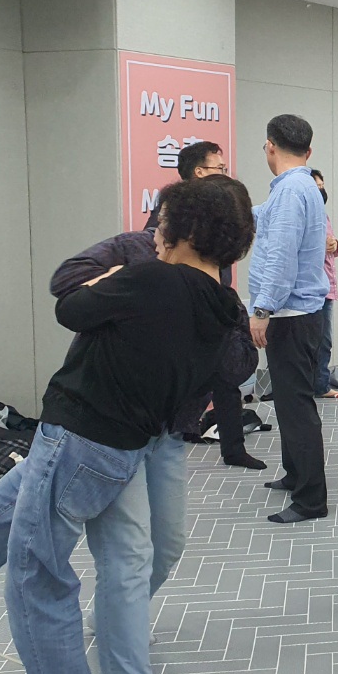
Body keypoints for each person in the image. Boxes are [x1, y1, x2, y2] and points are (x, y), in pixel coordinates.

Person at [0, 179, 253, 674]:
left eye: (163, 221)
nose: (154, 232)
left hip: (78, 442)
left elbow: (70, 306)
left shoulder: (150, 278)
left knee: (36, 570)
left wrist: (111, 279)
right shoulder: (222, 307)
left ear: (188, 231)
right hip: (118, 445)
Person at [43, 176, 259, 674]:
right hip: (93, 429)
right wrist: (118, 279)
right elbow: (69, 291)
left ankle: (115, 628)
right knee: (105, 557)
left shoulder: (215, 292)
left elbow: (236, 366)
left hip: (159, 431)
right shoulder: (139, 261)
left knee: (163, 545)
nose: (156, 231)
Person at [143, 141, 259, 468]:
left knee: (227, 376)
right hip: (181, 307)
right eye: (219, 168)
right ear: (198, 171)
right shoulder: (172, 209)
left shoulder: (221, 206)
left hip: (215, 300)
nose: (225, 173)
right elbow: (153, 249)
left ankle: (233, 448)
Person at [251, 114, 330, 524]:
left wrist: (262, 309)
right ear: (308, 151)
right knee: (287, 399)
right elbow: (263, 219)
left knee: (296, 405)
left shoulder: (289, 191)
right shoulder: (302, 187)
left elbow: (280, 259)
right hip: (300, 312)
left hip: (289, 313)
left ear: (269, 146)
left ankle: (311, 500)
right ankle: (295, 473)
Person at [310, 169, 338, 400]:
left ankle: (321, 385)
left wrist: (335, 244)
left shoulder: (323, 216)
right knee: (311, 342)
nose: (321, 191)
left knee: (324, 340)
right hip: (311, 289)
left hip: (327, 287)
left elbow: (334, 250)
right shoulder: (304, 216)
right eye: (317, 187)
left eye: (323, 187)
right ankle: (313, 385)